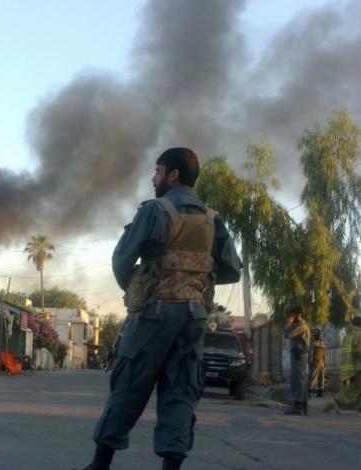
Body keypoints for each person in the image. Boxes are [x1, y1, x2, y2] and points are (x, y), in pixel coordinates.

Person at [81, 147, 242, 470]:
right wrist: (195, 280)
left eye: (157, 172)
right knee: (181, 391)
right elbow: (232, 270)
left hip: (154, 313)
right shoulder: (213, 220)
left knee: (129, 386)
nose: (153, 179)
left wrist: (138, 288)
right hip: (194, 317)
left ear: (173, 175)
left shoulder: (156, 210)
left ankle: (100, 465)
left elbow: (122, 259)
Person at [327, 316, 361, 416]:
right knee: (356, 387)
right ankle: (337, 400)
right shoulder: (359, 335)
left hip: (352, 368)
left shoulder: (348, 335)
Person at [284, 306, 311, 415]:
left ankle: (298, 406)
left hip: (299, 354)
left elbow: (287, 334)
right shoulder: (300, 326)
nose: (291, 317)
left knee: (297, 380)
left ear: (298, 314)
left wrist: (288, 323)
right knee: (300, 379)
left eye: (293, 314)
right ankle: (302, 406)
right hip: (298, 354)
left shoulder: (302, 326)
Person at [309, 329, 327, 398]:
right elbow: (325, 355)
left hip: (315, 362)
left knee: (312, 377)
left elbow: (310, 354)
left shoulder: (313, 345)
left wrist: (309, 362)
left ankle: (308, 392)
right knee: (321, 378)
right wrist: (325, 364)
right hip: (322, 363)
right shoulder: (323, 345)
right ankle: (320, 393)